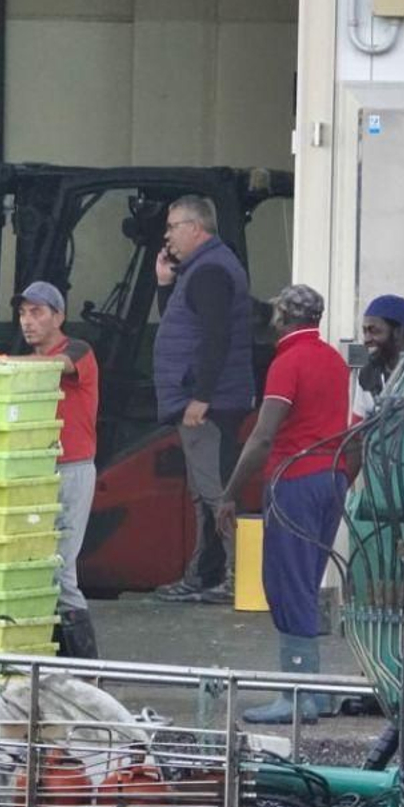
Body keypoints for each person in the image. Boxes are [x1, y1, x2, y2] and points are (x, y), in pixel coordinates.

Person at [217, 285, 350, 724]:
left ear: (282, 318)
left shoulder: (286, 362)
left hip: (295, 479)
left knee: (286, 584)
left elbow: (264, 435)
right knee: (306, 581)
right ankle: (311, 688)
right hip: (332, 477)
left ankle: (297, 695)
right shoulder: (332, 359)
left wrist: (230, 491)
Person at [151, 195, 255, 604]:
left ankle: (234, 579)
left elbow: (216, 339)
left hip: (207, 405)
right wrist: (165, 283)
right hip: (206, 399)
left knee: (214, 493)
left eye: (173, 226)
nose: (167, 235)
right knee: (204, 492)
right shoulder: (200, 270)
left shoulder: (210, 271)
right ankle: (205, 575)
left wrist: (200, 397)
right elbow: (184, 326)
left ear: (196, 228)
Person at [12, 281, 100, 659]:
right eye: (22, 313)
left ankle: (87, 673)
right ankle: (57, 667)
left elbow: (55, 366)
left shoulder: (77, 351)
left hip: (72, 470)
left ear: (59, 316)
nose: (27, 322)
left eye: (37, 312)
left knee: (61, 571)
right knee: (36, 568)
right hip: (37, 472)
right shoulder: (24, 362)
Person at [352, 294, 404, 420]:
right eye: (364, 331)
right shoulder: (367, 371)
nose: (366, 339)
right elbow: (357, 428)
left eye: (374, 331)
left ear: (398, 332)